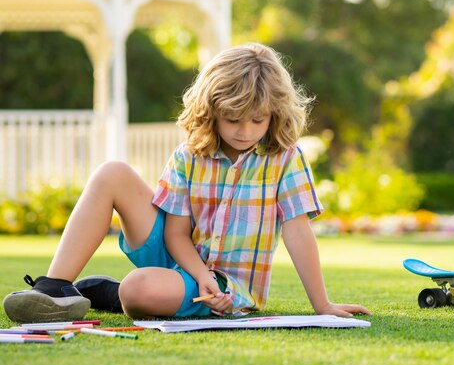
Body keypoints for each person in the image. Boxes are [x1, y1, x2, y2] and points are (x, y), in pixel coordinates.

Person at [2, 43, 371, 322]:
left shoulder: (285, 159)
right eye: (232, 119)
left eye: (257, 120)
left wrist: (322, 305)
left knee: (136, 290)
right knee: (112, 173)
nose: (245, 131)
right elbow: (176, 234)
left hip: (226, 287)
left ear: (274, 115)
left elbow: (298, 231)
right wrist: (198, 271)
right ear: (211, 111)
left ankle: (116, 294)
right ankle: (55, 289)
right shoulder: (189, 154)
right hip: (181, 256)